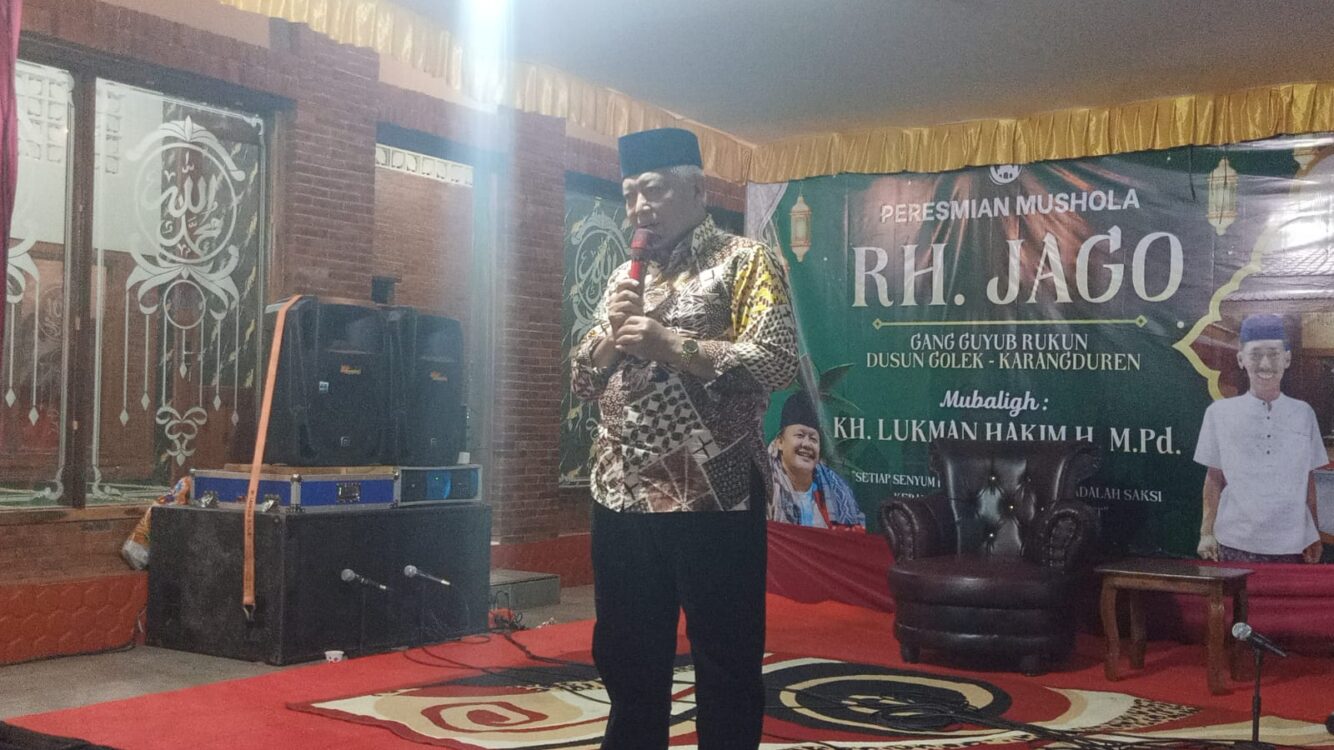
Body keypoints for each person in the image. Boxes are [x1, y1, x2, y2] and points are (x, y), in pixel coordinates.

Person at [570, 127, 798, 749]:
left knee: (725, 654)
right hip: (620, 491)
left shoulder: (745, 261)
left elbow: (777, 361)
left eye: (653, 190)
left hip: (712, 491)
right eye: (629, 194)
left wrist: (673, 345)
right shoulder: (625, 275)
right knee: (626, 654)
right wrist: (611, 337)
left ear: (698, 189)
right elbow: (583, 380)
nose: (638, 208)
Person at [1194, 313, 1325, 563]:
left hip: (1292, 545)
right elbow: (1213, 478)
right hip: (1234, 542)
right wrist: (1206, 533)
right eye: (1255, 355)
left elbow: (1307, 479)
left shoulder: (1304, 413)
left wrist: (1314, 532)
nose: (1265, 364)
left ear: (1287, 359)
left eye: (1274, 354)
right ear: (1241, 359)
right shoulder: (1219, 413)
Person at [768, 390, 865, 530]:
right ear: (780, 442)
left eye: (813, 439)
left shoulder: (836, 488)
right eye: (800, 435)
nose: (807, 444)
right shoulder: (762, 485)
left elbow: (854, 536)